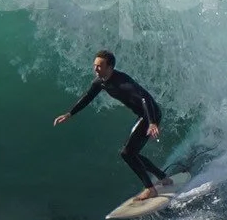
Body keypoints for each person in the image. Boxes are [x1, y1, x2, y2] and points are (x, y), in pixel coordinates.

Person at [55, 50, 173, 198]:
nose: (96, 69)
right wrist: (69, 113)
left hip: (150, 114)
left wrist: (152, 123)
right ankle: (163, 178)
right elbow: (87, 97)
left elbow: (145, 98)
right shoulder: (100, 82)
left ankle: (150, 188)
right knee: (131, 153)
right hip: (142, 116)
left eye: (100, 66)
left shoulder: (122, 82)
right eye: (95, 65)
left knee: (127, 153)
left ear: (110, 67)